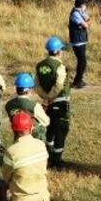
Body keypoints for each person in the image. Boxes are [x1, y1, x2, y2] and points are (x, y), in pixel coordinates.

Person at [35, 37, 71, 169]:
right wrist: (51, 96)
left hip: (48, 102)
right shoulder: (60, 66)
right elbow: (59, 85)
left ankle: (48, 154)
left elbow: (37, 85)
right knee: (61, 130)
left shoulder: (39, 65)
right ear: (59, 51)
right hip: (60, 101)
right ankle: (57, 160)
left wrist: (45, 97)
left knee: (49, 129)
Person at [5, 73, 49, 143]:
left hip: (18, 137)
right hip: (35, 138)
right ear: (29, 90)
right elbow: (46, 121)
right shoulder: (34, 106)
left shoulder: (8, 105)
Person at [68, 0, 90, 89]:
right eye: (84, 5)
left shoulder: (80, 12)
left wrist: (86, 23)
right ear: (82, 5)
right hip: (77, 41)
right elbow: (86, 25)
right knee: (82, 62)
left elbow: (88, 19)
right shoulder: (75, 14)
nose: (85, 6)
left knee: (82, 61)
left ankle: (79, 79)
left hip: (81, 40)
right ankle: (77, 81)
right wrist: (85, 24)